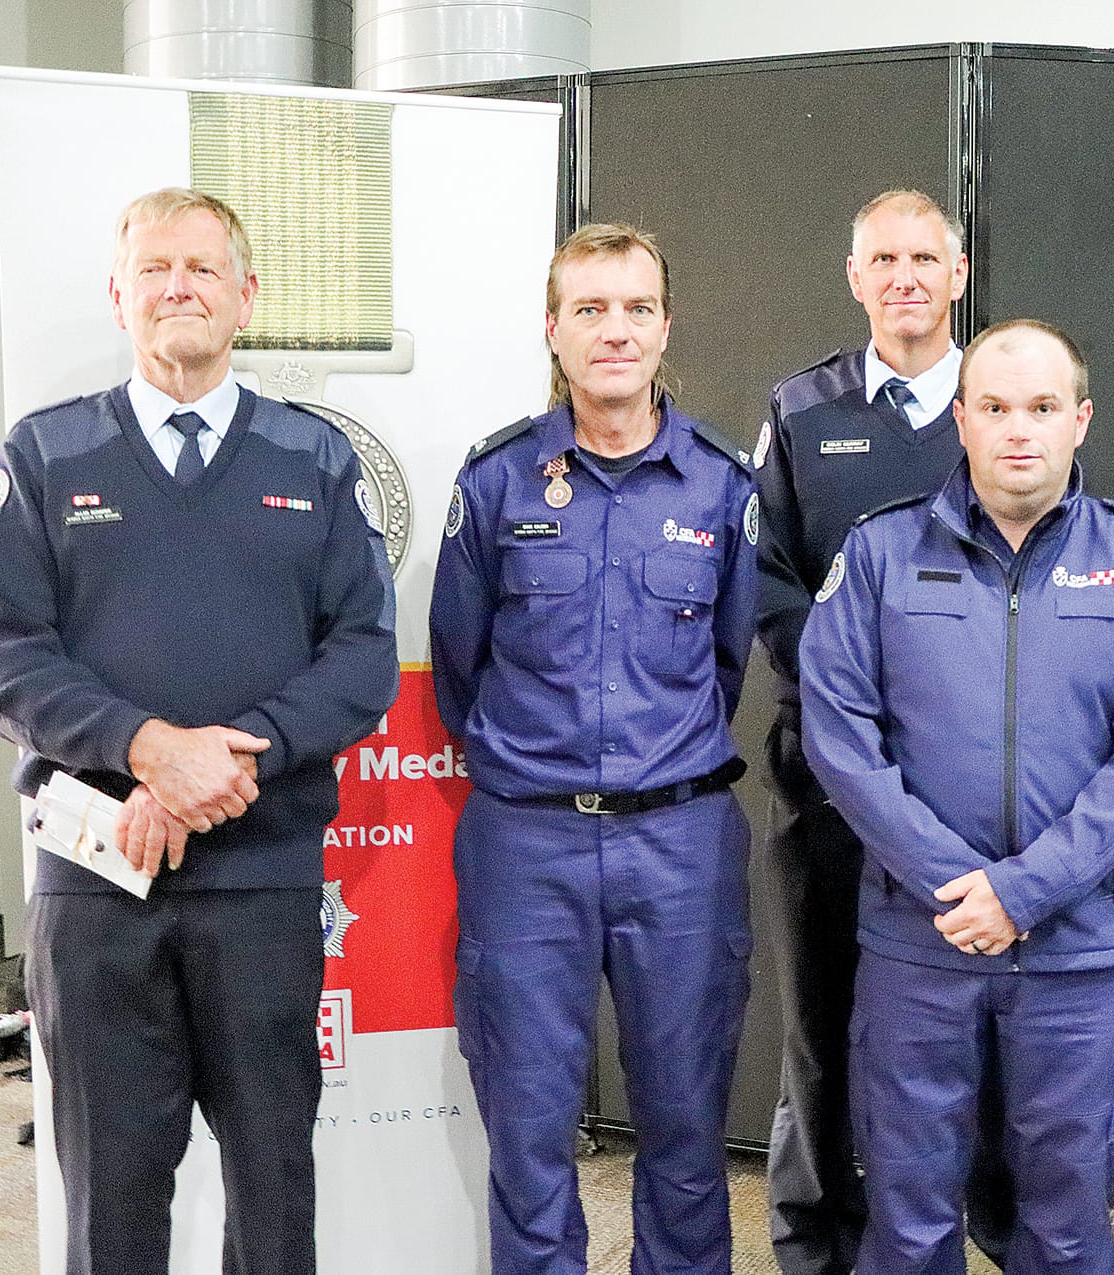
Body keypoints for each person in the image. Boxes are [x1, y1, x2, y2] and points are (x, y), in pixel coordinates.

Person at [0, 187, 399, 1274]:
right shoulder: (47, 454)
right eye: (154, 269)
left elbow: (361, 655)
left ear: (247, 296)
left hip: (263, 885)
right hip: (98, 888)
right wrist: (149, 750)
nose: (178, 288)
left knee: (273, 1187)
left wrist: (225, 759)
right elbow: (4, 659)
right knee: (109, 1196)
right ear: (119, 296)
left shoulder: (312, 457)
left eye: (203, 268)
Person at [800, 319, 1114, 1274]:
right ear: (962, 420)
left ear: (1080, 420)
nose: (1019, 428)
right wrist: (957, 885)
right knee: (909, 1223)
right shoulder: (881, 554)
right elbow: (839, 736)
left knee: (1065, 1228)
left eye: (1042, 407)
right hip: (921, 943)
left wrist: (1024, 891)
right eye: (994, 406)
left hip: (1075, 950)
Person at [428, 223, 758, 1274]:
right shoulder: (495, 483)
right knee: (528, 1135)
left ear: (665, 326)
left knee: (687, 1131)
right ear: (553, 329)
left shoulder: (720, 485)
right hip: (528, 845)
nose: (614, 330)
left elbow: (728, 662)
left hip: (681, 842)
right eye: (590, 309)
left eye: (635, 308)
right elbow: (458, 665)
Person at [754, 188, 987, 1275]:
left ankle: (963, 1234)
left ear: (958, 273)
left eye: (923, 258)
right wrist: (855, 689)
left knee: (970, 1034)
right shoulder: (802, 410)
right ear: (855, 279)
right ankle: (815, 1245)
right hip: (829, 778)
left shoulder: (1002, 401)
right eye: (882, 260)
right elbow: (764, 579)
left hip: (971, 786)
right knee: (822, 1025)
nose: (904, 278)